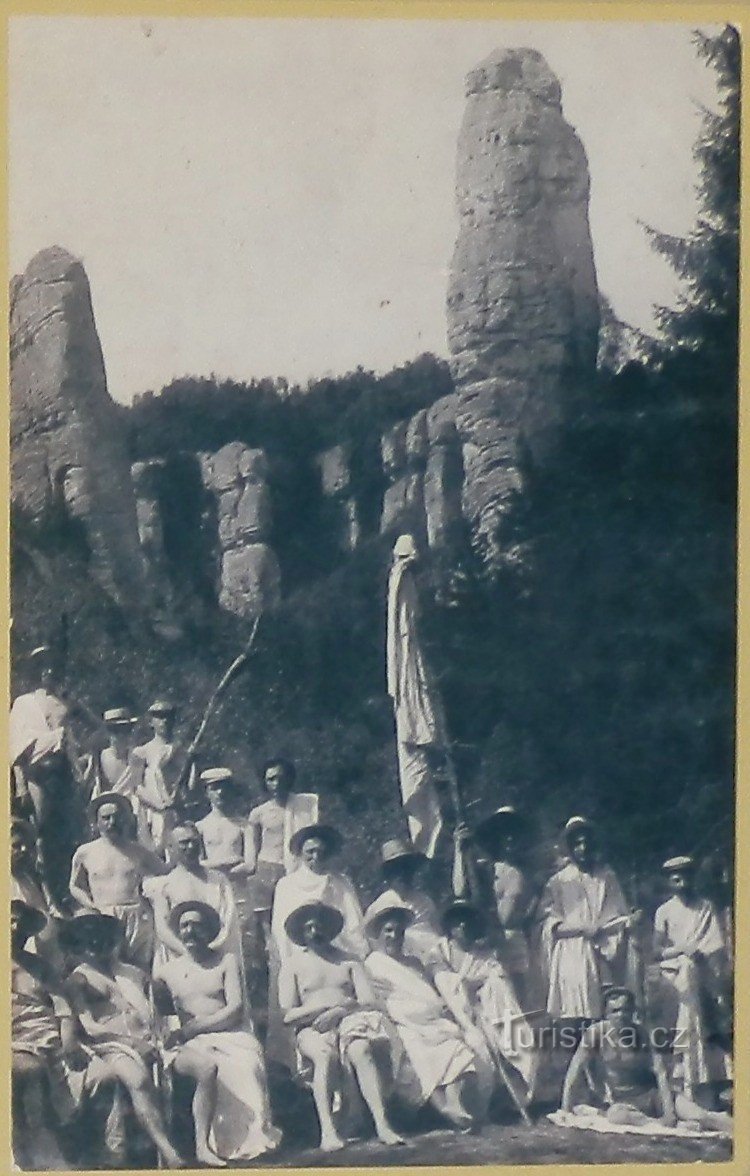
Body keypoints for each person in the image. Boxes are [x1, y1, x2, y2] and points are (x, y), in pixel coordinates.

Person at [153, 900, 281, 1165]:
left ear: (209, 931)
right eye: (185, 925)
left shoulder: (226, 961)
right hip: (191, 1041)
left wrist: (198, 1026)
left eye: (197, 926)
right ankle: (214, 1146)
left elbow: (235, 1008)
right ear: (177, 931)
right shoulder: (166, 972)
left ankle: (249, 1142)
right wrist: (181, 1036)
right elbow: (163, 1018)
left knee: (245, 1066)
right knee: (211, 1067)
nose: (190, 931)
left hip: (229, 1032)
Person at [278, 901, 405, 1152]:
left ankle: (382, 1123)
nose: (315, 932)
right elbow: (288, 1016)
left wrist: (339, 1009)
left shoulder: (348, 961)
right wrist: (322, 1009)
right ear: (302, 934)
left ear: (330, 929)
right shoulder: (292, 965)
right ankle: (328, 1130)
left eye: (320, 926)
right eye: (309, 928)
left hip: (350, 1021)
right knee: (325, 1056)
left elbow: (368, 999)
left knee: (361, 1049)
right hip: (312, 1028)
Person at [61, 912, 185, 1168]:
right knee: (138, 1079)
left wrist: (161, 1033)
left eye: (105, 942)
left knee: (177, 1071)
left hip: (147, 1037)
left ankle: (177, 1144)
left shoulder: (130, 973)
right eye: (93, 943)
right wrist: (129, 1043)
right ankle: (169, 1151)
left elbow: (160, 1008)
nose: (100, 949)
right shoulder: (79, 979)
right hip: (107, 1044)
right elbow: (90, 1027)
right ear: (82, 946)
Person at [364, 896, 491, 1131]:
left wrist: (440, 1005)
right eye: (389, 931)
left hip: (431, 1019)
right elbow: (380, 1000)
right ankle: (443, 1107)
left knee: (454, 1041)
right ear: (379, 934)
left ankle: (454, 1101)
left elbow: (429, 990)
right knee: (418, 1048)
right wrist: (410, 1014)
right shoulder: (373, 963)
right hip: (403, 1021)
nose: (394, 937)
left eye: (399, 932)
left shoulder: (414, 962)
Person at [560, 986, 732, 1133]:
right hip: (625, 1102)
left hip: (653, 1094)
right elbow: (575, 1069)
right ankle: (668, 1125)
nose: (621, 1015)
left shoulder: (644, 1034)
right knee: (616, 1116)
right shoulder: (595, 1034)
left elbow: (661, 1074)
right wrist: (565, 1108)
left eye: (626, 1009)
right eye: (615, 1011)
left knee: (702, 1115)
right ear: (606, 1014)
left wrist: (669, 1113)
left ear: (633, 1011)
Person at [430, 900, 538, 1098]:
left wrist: (479, 989)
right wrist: (464, 987)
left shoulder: (482, 954)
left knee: (500, 997)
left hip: (485, 1008)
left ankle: (524, 1081)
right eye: (457, 921)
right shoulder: (439, 951)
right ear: (449, 926)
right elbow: (442, 982)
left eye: (466, 920)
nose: (462, 925)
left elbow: (496, 977)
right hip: (451, 1011)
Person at [539, 816, 639, 1026]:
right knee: (578, 1015)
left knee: (608, 1011)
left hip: (606, 950)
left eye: (586, 842)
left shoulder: (607, 877)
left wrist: (627, 922)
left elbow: (618, 913)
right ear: (569, 848)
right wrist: (582, 928)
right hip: (573, 951)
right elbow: (551, 925)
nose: (582, 848)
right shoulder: (559, 881)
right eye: (577, 844)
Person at [9, 644, 87, 906]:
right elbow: (17, 746)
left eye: (54, 666)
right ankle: (44, 895)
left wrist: (82, 751)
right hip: (37, 772)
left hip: (63, 771)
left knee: (65, 831)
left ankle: (65, 890)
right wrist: (20, 785)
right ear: (38, 671)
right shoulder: (25, 703)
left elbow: (97, 728)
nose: (50, 671)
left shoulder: (65, 703)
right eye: (44, 666)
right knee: (40, 830)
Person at [651, 855, 731, 1099]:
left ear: (692, 877)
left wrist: (697, 956)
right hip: (674, 971)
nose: (680, 879)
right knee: (685, 976)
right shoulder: (664, 910)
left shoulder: (705, 907)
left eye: (685, 874)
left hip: (702, 969)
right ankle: (681, 1075)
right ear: (668, 881)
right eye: (675, 876)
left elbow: (714, 946)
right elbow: (656, 951)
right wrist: (682, 949)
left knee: (694, 981)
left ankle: (704, 1081)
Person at [11, 900, 77, 1168]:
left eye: (19, 922)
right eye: (9, 920)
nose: (14, 926)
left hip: (41, 1037)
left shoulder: (40, 967)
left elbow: (64, 1010)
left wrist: (69, 1043)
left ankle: (41, 1143)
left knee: (30, 1068)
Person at [69, 792, 166, 970]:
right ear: (97, 822)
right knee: (108, 967)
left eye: (117, 817)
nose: (112, 823)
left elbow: (165, 872)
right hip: (104, 915)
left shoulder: (138, 851)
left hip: (136, 916)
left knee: (140, 968)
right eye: (106, 818)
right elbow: (74, 886)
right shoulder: (85, 852)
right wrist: (90, 905)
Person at [145, 823, 246, 992]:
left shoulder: (218, 880)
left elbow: (228, 919)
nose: (190, 847)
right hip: (180, 956)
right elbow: (162, 929)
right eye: (183, 843)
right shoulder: (163, 885)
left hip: (217, 955)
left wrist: (211, 951)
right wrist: (188, 953)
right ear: (170, 847)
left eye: (194, 841)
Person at [468, 806, 539, 1009]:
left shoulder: (521, 874)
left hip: (512, 939)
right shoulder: (486, 870)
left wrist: (524, 916)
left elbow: (509, 917)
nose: (509, 840)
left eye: (513, 835)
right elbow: (461, 889)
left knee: (518, 999)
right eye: (504, 835)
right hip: (489, 940)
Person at [271, 824, 368, 963]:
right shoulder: (287, 884)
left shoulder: (341, 882)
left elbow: (353, 921)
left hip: (338, 950)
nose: (315, 856)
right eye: (310, 851)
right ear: (301, 853)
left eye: (320, 851)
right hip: (300, 953)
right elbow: (280, 928)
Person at [247, 757, 318, 916]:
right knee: (266, 919)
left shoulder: (305, 807)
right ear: (265, 782)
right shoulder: (259, 813)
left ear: (289, 778)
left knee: (297, 914)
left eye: (280, 778)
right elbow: (253, 848)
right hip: (267, 868)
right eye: (271, 779)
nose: (276, 783)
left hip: (297, 867)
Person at [131, 699, 191, 854]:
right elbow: (136, 786)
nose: (164, 721)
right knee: (154, 853)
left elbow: (189, 787)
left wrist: (193, 762)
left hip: (178, 810)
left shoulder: (181, 751)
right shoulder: (141, 752)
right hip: (153, 812)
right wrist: (158, 804)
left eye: (168, 717)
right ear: (151, 722)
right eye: (159, 717)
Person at [377, 838, 441, 963]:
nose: (402, 875)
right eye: (396, 871)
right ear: (388, 876)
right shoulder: (380, 906)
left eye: (406, 869)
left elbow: (437, 934)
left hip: (430, 958)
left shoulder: (425, 902)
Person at [11, 818, 64, 962]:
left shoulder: (34, 878)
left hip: (46, 953)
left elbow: (53, 909)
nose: (24, 850)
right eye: (16, 845)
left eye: (28, 845)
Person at [83, 707, 140, 803]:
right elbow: (85, 789)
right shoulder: (98, 758)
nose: (120, 735)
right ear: (107, 733)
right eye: (115, 730)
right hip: (107, 810)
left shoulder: (137, 758)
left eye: (125, 730)